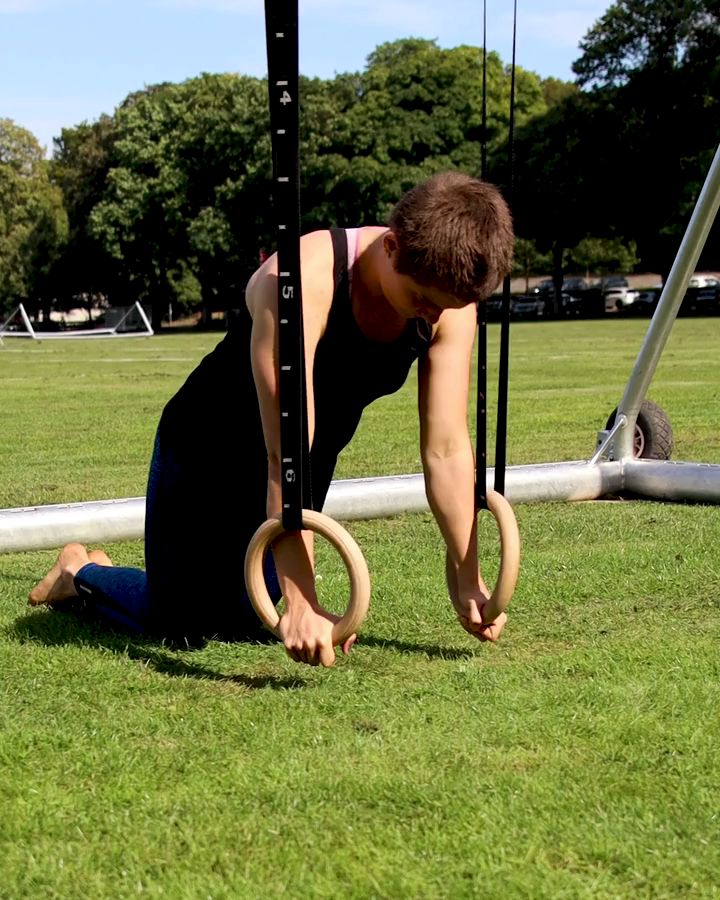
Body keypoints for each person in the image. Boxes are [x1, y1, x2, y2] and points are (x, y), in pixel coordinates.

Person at [29, 170, 515, 667]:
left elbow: (447, 448)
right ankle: (79, 572)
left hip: (305, 462)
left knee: (241, 623)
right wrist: (302, 597)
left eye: (447, 307)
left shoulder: (450, 300)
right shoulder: (300, 282)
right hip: (205, 446)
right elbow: (286, 446)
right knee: (178, 625)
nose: (432, 318)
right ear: (391, 247)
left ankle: (110, 578)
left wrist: (466, 573)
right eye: (422, 300)